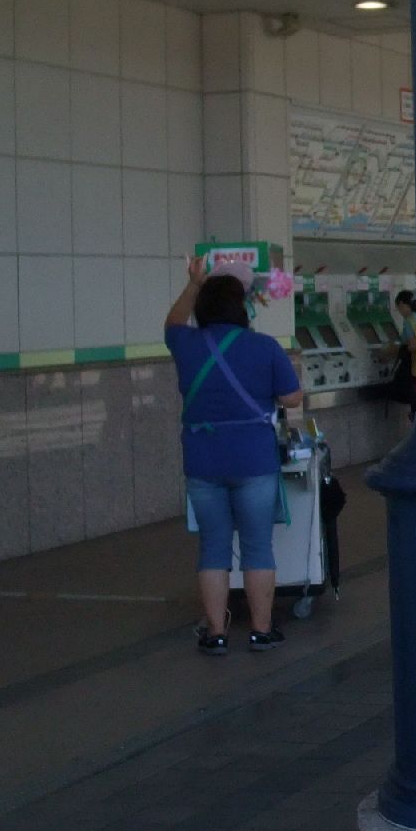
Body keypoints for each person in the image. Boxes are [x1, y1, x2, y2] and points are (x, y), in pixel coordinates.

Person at [166, 259, 304, 655]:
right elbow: (292, 398)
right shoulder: (264, 346)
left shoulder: (186, 343)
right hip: (254, 460)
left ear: (202, 308)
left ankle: (216, 634)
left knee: (213, 547)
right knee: (258, 546)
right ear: (241, 309)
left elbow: (172, 322)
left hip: (203, 461)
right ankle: (261, 631)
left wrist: (193, 284)